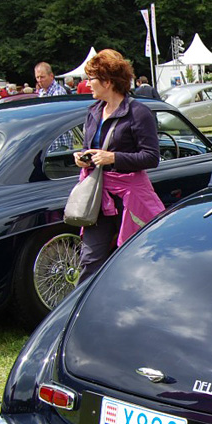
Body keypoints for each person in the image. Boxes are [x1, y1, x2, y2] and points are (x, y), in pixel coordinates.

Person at [73, 49, 164, 281]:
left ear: (108, 81)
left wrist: (113, 158)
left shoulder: (138, 113)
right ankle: (83, 312)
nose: (87, 84)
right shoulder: (93, 111)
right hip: (98, 198)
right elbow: (91, 147)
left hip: (130, 199)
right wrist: (83, 157)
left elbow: (152, 157)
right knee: (90, 260)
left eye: (91, 78)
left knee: (135, 258)